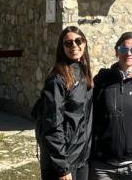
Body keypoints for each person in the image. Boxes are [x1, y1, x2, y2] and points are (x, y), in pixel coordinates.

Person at [90, 31, 132, 180]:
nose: (129, 53)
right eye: (124, 49)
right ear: (116, 51)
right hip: (103, 166)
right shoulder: (102, 79)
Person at [35, 26, 94, 180]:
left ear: (84, 43)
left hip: (81, 158)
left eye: (78, 41)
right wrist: (62, 167)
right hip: (64, 162)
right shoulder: (58, 79)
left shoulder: (83, 72)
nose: (74, 45)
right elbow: (53, 125)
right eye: (68, 43)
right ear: (62, 48)